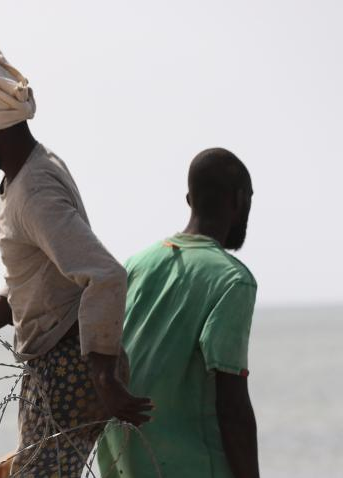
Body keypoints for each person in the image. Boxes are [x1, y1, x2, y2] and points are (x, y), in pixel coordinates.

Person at [0, 30, 152, 477]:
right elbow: (34, 282)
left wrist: (104, 375)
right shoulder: (26, 177)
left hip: (68, 367)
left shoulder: (34, 192)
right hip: (58, 365)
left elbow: (104, 274)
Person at [96, 148, 258, 478]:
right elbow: (232, 406)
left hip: (124, 465)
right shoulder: (232, 280)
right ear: (240, 198)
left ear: (189, 199)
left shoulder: (135, 265)